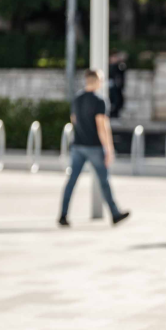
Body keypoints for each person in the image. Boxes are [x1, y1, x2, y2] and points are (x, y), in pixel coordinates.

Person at [59, 69, 130, 227]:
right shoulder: (100, 100)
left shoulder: (77, 98)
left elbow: (73, 120)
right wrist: (109, 149)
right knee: (104, 181)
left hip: (78, 145)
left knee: (71, 181)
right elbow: (102, 126)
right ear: (96, 81)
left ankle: (63, 215)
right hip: (94, 147)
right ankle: (114, 213)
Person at [107, 51, 127, 119]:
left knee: (118, 101)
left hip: (117, 88)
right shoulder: (109, 66)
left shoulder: (119, 66)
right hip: (111, 88)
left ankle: (115, 113)